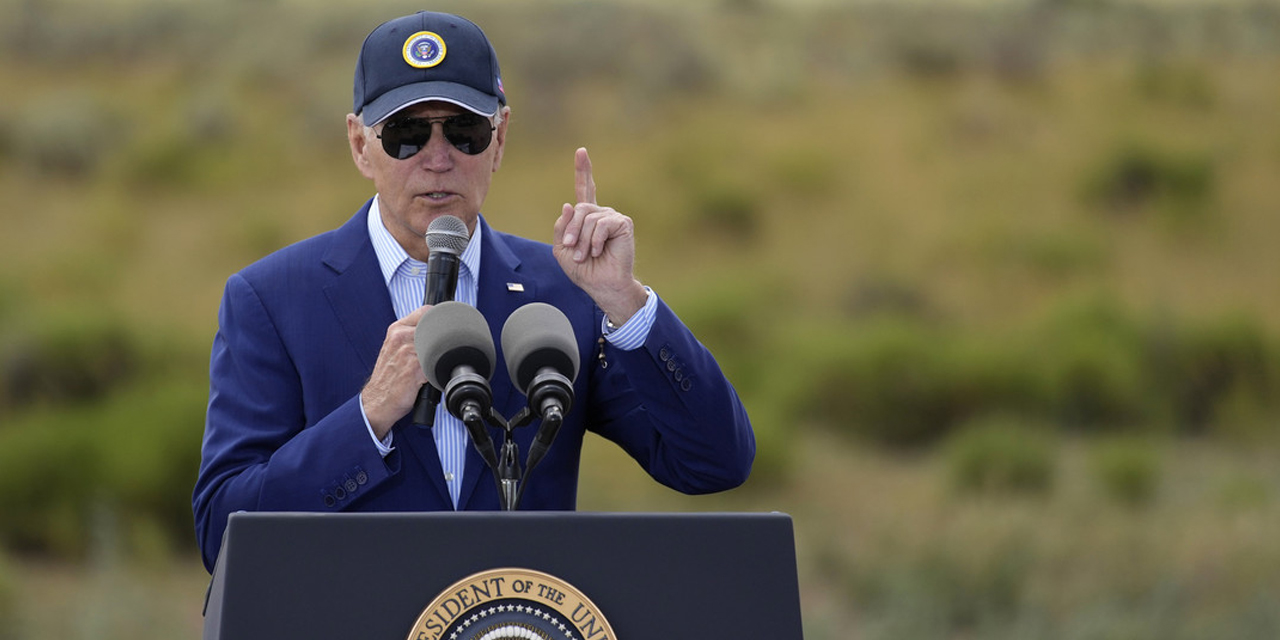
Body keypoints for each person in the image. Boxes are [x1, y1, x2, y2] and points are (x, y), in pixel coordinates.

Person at [192, 11, 755, 572]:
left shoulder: (564, 293)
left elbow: (714, 463)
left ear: (500, 139)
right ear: (360, 144)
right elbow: (223, 531)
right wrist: (367, 418)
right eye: (407, 135)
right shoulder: (271, 299)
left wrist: (626, 303)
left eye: (465, 132)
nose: (439, 160)